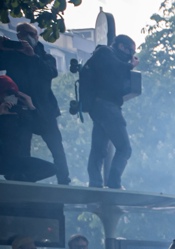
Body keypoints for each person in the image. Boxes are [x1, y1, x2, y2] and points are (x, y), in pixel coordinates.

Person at [3, 23, 69, 184]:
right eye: (23, 34)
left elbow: (51, 73)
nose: (27, 37)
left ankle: (64, 179)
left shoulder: (46, 56)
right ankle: (23, 181)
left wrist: (32, 55)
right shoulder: (13, 56)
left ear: (37, 36)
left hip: (44, 110)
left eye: (31, 34)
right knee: (23, 148)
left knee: (56, 147)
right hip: (22, 110)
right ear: (18, 36)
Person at [81, 34, 137, 189]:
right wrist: (130, 66)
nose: (131, 56)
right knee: (125, 148)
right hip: (107, 107)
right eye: (130, 51)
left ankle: (95, 183)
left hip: (100, 107)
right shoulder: (105, 52)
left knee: (99, 149)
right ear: (121, 46)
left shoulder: (107, 57)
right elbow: (115, 67)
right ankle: (113, 183)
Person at [0, 74, 55, 183]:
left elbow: (43, 129)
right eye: (7, 94)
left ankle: (19, 182)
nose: (11, 98)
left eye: (14, 94)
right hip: (3, 160)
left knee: (51, 168)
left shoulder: (21, 113)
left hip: (21, 161)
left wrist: (32, 107)